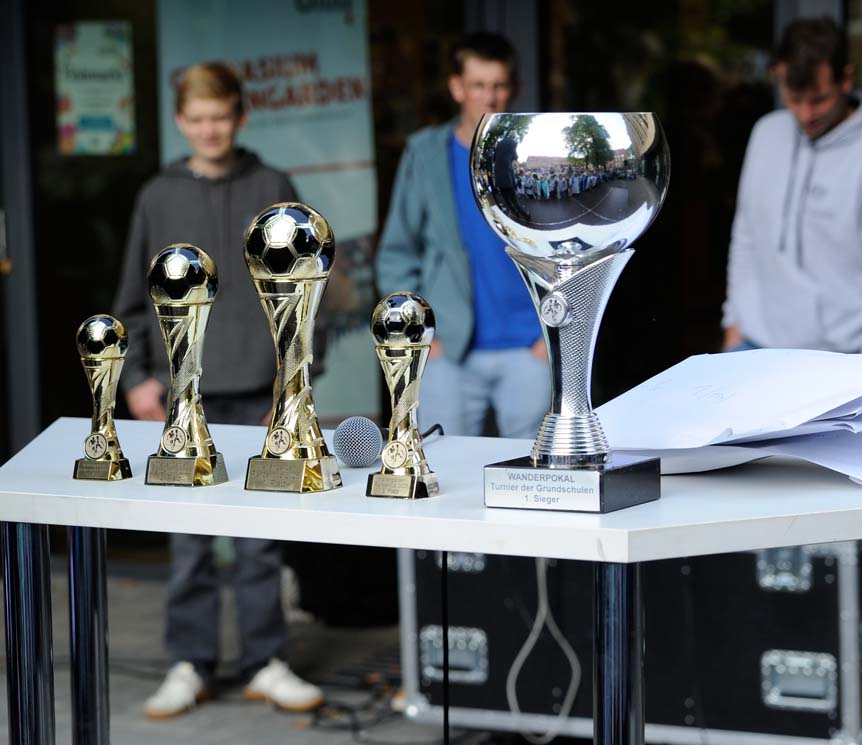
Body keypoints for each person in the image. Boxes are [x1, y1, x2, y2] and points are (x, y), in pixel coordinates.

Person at [112, 62, 323, 719]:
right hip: (181, 395)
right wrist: (138, 380)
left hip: (262, 390)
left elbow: (304, 295)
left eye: (221, 118)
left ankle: (265, 661)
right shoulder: (157, 195)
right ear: (181, 121)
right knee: (189, 539)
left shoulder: (273, 186)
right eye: (198, 120)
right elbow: (134, 298)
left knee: (260, 538)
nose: (210, 130)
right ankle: (190, 663)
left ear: (241, 116)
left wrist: (291, 392)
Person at [375, 32, 546, 438]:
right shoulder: (426, 152)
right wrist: (421, 338)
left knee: (534, 467)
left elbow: (567, 248)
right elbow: (397, 253)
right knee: (446, 462)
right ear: (457, 88)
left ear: (515, 88)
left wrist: (550, 336)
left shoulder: (536, 151)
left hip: (530, 344)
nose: (490, 97)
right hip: (449, 348)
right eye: (478, 85)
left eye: (499, 85)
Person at [721, 17, 862, 354]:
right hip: (753, 344)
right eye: (794, 98)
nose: (805, 114)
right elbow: (746, 236)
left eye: (818, 99)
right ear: (778, 75)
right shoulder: (766, 134)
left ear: (846, 79)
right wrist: (734, 325)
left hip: (840, 357)